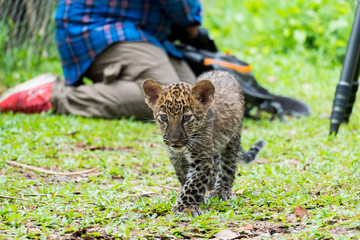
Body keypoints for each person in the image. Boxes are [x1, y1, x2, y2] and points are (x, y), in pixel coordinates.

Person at [0, 0, 202, 120]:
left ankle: (116, 87)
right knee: (166, 98)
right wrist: (191, 20)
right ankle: (53, 96)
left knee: (190, 98)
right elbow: (184, 11)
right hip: (98, 27)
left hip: (138, 31)